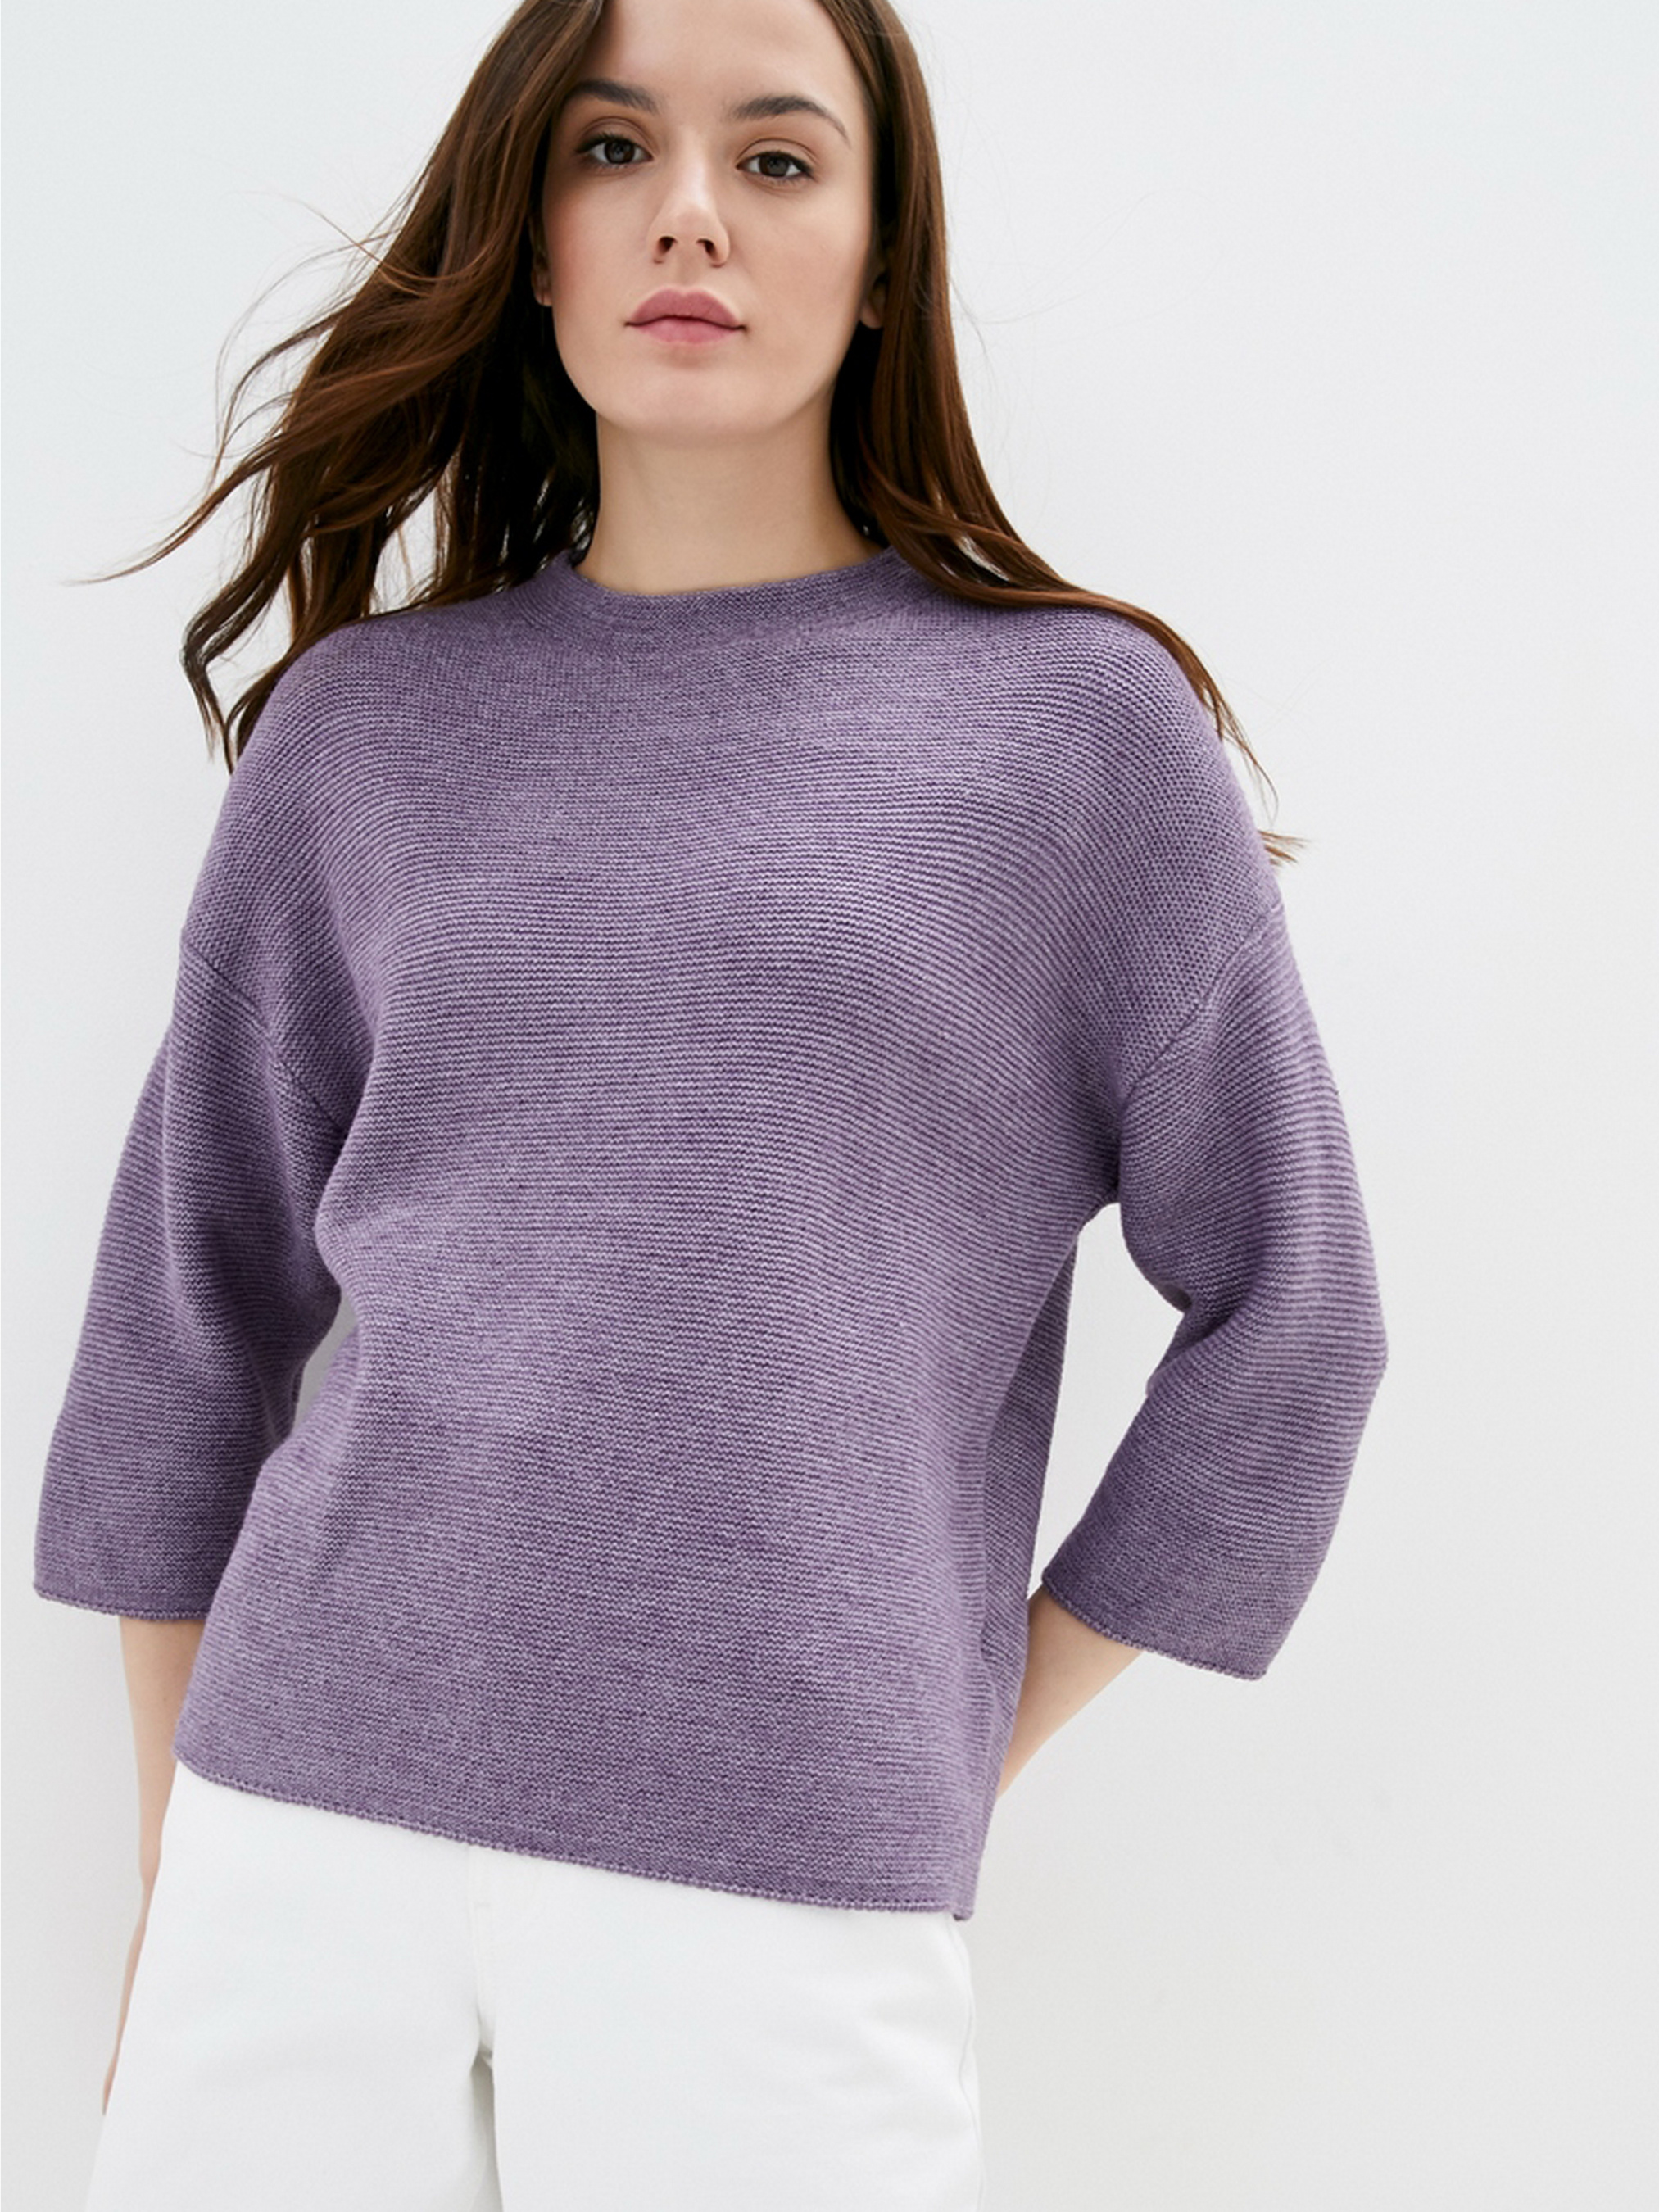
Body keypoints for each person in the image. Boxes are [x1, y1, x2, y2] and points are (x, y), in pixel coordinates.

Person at [33, 0, 1390, 2205]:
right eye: (609, 149)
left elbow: (1295, 1320)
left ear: (882, 254)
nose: (688, 212)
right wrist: (177, 1862)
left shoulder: (1072, 734)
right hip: (295, 1832)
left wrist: (950, 1729)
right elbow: (186, 1308)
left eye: (774, 159)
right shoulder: (364, 730)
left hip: (783, 1880)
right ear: (530, 238)